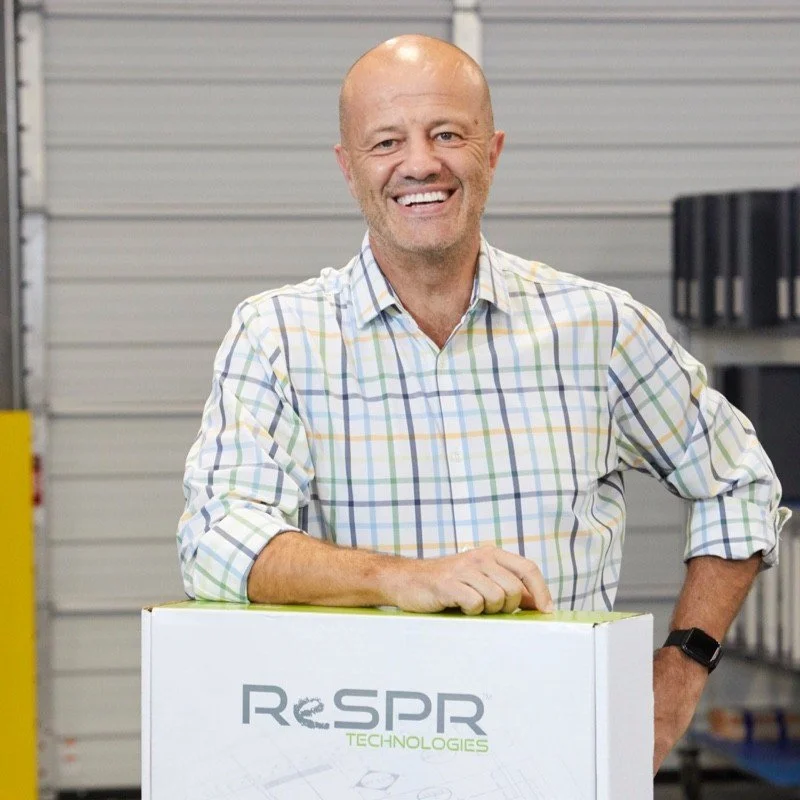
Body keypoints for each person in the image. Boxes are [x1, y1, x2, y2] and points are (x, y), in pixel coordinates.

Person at [177, 35, 788, 771]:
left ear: (491, 151)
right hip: (356, 762)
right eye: (386, 141)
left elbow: (739, 482)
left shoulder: (599, 327)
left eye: (446, 134)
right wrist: (404, 578)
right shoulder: (278, 334)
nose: (420, 163)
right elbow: (215, 543)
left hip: (560, 754)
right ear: (348, 168)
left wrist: (682, 669)